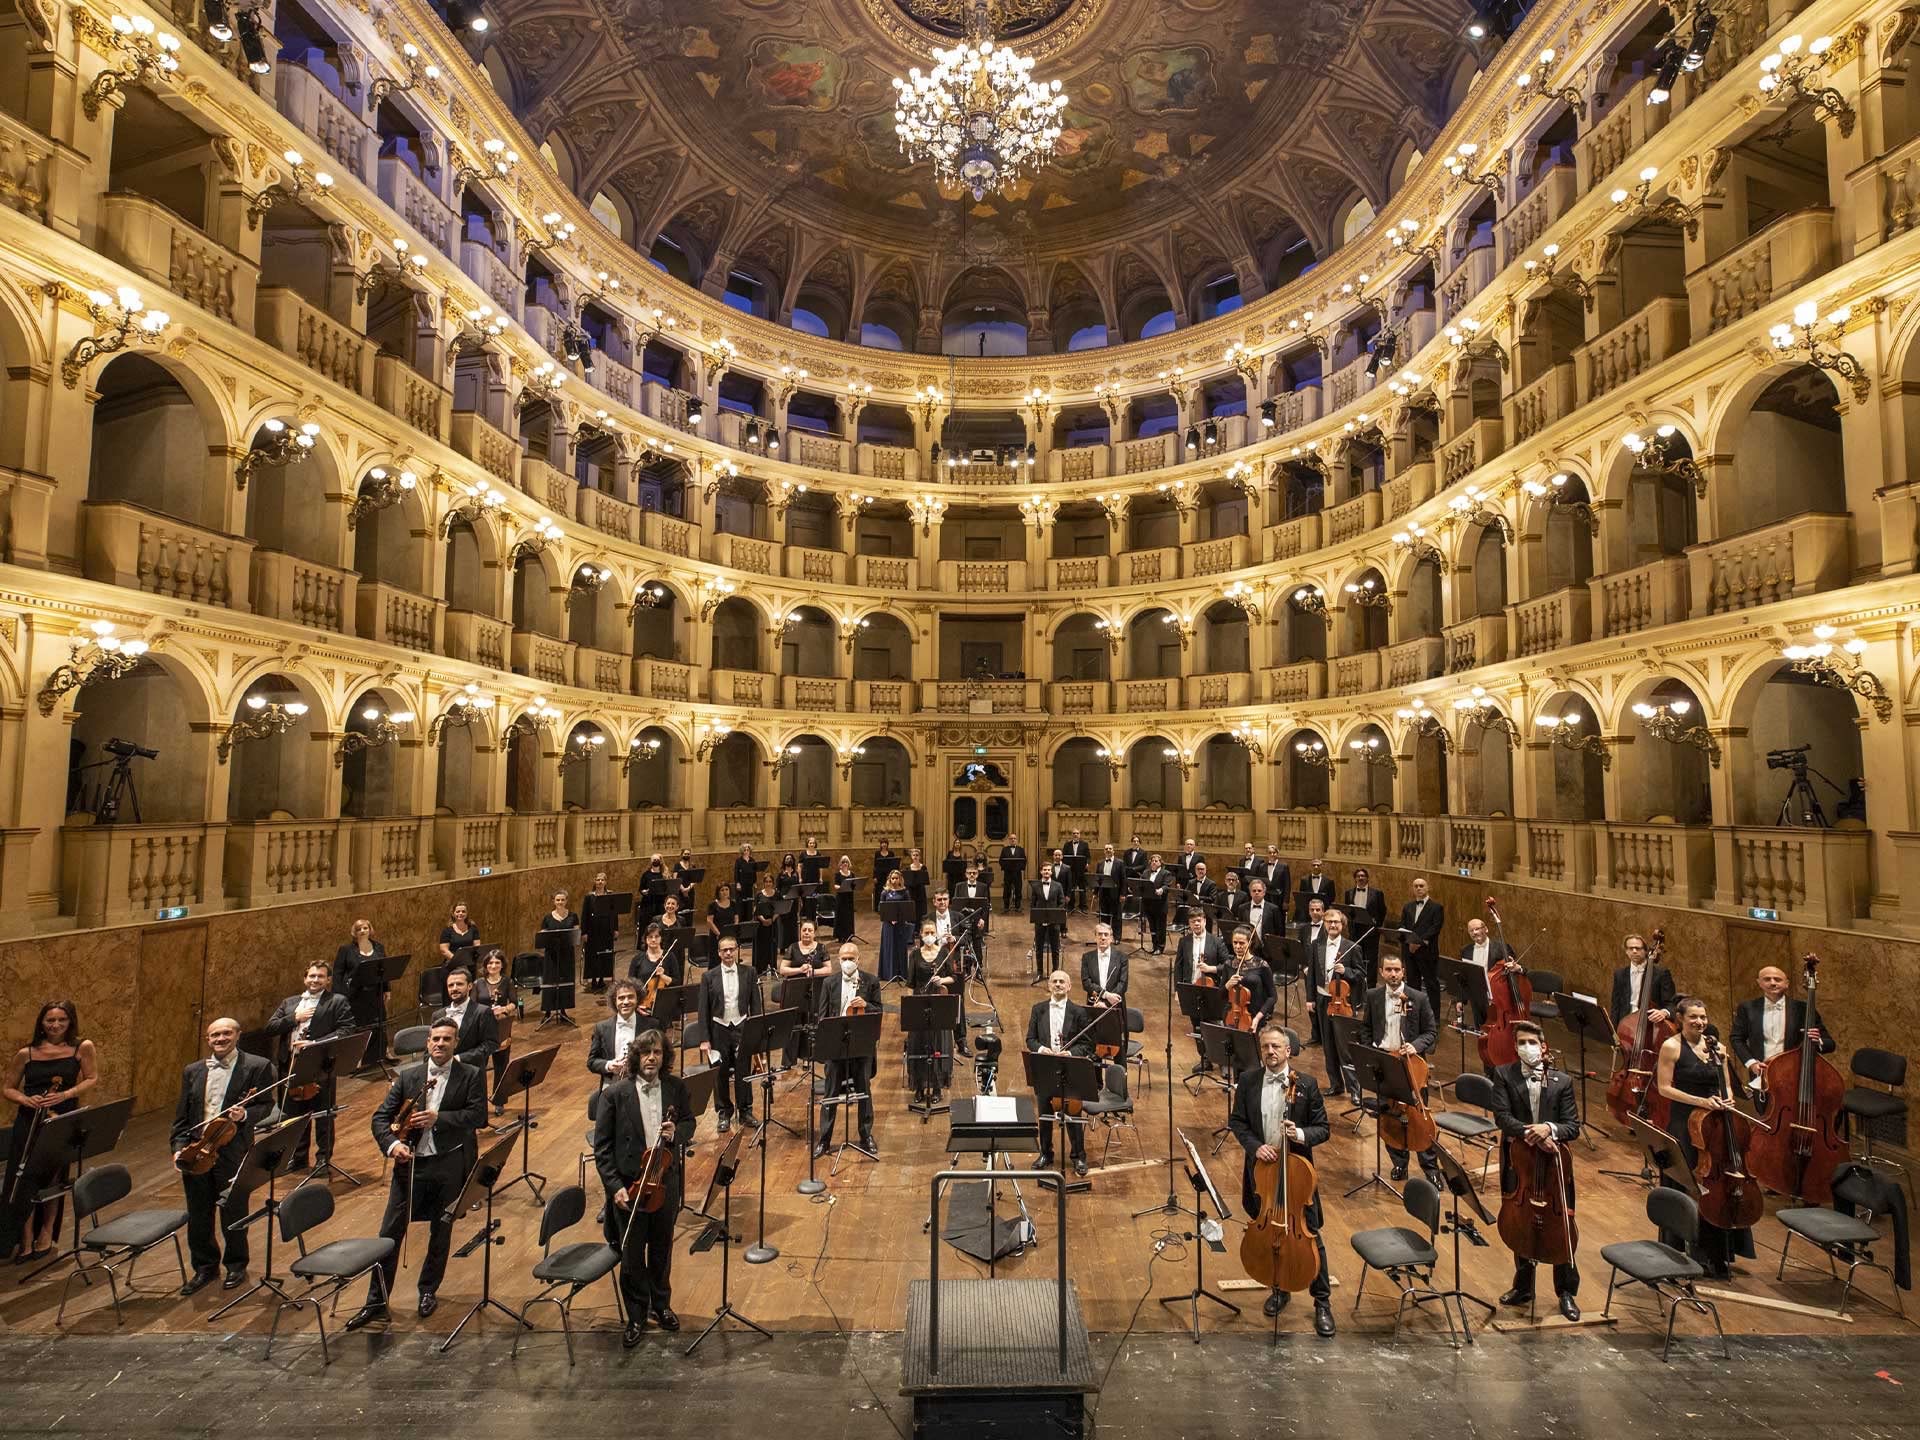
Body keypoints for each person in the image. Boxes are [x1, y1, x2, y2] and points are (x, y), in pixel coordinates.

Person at [347, 1016, 487, 1329]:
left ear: (456, 1043)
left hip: (448, 1162)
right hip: (409, 1165)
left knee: (441, 1230)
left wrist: (441, 1118)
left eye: (446, 1039)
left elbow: (478, 1116)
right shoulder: (408, 1077)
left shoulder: (471, 1075)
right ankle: (376, 1301)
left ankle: (428, 1290)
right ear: (427, 1043)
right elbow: (380, 1119)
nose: (440, 1044)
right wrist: (392, 1145)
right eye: (435, 1039)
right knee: (389, 1234)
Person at [1227, 1025, 1335, 1335]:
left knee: (1310, 1235)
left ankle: (1322, 1303)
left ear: (1288, 1051)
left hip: (1298, 1176)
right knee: (1272, 1235)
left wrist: (1299, 1134)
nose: (1270, 1052)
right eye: (1265, 1047)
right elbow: (1237, 1122)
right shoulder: (1248, 1081)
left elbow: (1323, 1128)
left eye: (1276, 1046)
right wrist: (1254, 1146)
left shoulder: (1307, 1085)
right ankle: (1280, 1288)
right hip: (1261, 1173)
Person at [594, 1027, 693, 1344]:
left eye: (658, 1052)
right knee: (633, 1255)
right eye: (646, 1052)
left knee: (662, 1250)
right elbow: (603, 1149)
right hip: (630, 1187)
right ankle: (636, 1316)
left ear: (664, 1058)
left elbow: (689, 1122)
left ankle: (661, 1306)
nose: (652, 1058)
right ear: (636, 1057)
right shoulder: (614, 1094)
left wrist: (676, 1131)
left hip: (665, 1183)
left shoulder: (676, 1088)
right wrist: (614, 1188)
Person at [170, 1017, 276, 1294]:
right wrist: (179, 1147)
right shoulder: (192, 1071)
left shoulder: (257, 1066)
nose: (220, 1039)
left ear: (238, 1035)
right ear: (208, 1039)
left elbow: (266, 1105)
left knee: (233, 1208)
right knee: (199, 1212)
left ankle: (236, 1265)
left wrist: (245, 1115)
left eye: (226, 1033)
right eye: (214, 1035)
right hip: (197, 1150)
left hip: (233, 1150)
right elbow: (182, 1117)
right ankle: (205, 1267)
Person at [1654, 998, 1756, 1279]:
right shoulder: (1671, 1046)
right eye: (1693, 1018)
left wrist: (1728, 1101)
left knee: (1716, 1183)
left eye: (1703, 1017)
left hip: (1713, 1124)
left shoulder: (1718, 1048)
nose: (1699, 1022)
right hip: (1684, 1121)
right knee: (1684, 1183)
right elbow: (1665, 1089)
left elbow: (1728, 1088)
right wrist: (1701, 1100)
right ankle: (1674, 1251)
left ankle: (1713, 1253)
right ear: (1680, 1019)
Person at [1488, 1019, 1582, 1319]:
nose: (1527, 1047)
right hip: (1519, 1160)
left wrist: (1549, 1129)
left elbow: (1572, 1126)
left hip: (1555, 1166)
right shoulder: (1504, 1074)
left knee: (1562, 1227)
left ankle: (1566, 1291)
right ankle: (1524, 1286)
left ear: (1544, 1048)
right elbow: (1502, 1117)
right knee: (1521, 1219)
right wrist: (1533, 1134)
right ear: (1516, 1049)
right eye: (1521, 1043)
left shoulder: (1562, 1082)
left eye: (1532, 1042)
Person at [2, 1002, 98, 1263]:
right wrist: (25, 1099)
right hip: (29, 1118)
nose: (55, 1025)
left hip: (62, 1116)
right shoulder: (27, 1053)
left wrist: (65, 1094)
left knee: (53, 1177)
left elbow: (91, 1078)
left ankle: (45, 1233)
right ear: (41, 1022)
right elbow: (8, 1088)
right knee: (24, 1179)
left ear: (70, 1022)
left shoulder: (82, 1047)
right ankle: (24, 1239)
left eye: (62, 1020)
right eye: (49, 1020)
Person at [265, 961, 354, 1168]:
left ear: (328, 980)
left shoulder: (337, 1001)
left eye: (320, 976)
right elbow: (270, 1027)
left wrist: (315, 1044)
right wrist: (293, 1018)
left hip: (320, 1065)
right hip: (291, 1066)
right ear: (305, 978)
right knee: (295, 1116)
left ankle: (323, 1158)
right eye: (312, 976)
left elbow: (347, 1029)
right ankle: (298, 1157)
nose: (315, 980)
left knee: (323, 1114)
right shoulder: (290, 1003)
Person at [1363, 953, 1440, 1184]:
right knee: (1390, 1116)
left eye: (1397, 969)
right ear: (1381, 972)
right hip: (1385, 1061)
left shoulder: (1418, 998)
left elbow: (1431, 1033)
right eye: (1388, 970)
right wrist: (1372, 1052)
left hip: (1412, 1065)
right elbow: (1367, 1027)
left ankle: (1431, 1169)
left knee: (1421, 1118)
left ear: (1403, 971)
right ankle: (1399, 1163)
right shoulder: (1373, 996)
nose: (1393, 974)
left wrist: (1414, 1046)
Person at [1729, 964, 1836, 1108]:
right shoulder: (1747, 1008)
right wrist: (1751, 1063)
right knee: (1765, 1116)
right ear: (1759, 983)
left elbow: (1830, 1043)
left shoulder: (1803, 1009)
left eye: (1777, 979)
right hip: (1763, 1074)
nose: (1772, 983)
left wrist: (1818, 1041)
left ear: (1786, 984)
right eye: (1767, 979)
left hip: (1795, 1076)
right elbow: (1736, 1038)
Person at [815, 941, 881, 1156]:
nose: (847, 962)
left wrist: (867, 1006)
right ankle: (824, 1139)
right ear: (838, 960)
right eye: (844, 958)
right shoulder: (829, 983)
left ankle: (866, 1135)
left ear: (858, 959)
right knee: (831, 1092)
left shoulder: (870, 981)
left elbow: (879, 1012)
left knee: (864, 1091)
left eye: (851, 958)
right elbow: (822, 1016)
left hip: (861, 1045)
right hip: (836, 1044)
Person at [1026, 970, 1091, 1177]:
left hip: (1069, 1067)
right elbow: (1031, 1039)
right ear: (1049, 986)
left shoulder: (1079, 1012)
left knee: (1072, 1114)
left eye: (1062, 981)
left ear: (1069, 986)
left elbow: (1087, 1044)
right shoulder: (1038, 1010)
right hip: (1045, 1066)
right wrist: (1041, 1049)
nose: (1058, 984)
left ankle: (1078, 1156)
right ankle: (1046, 1153)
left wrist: (1070, 1052)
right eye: (1054, 981)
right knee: (1044, 1114)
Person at [698, 936, 762, 1133]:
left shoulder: (749, 972)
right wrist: (704, 1039)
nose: (728, 953)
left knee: (744, 1070)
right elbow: (703, 1010)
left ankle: (745, 1110)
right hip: (719, 1027)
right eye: (724, 950)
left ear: (737, 950)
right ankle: (724, 1112)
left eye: (731, 949)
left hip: (741, 1025)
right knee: (720, 1071)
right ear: (718, 953)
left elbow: (755, 1004)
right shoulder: (709, 977)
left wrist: (757, 1031)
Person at [909, 924, 963, 1098]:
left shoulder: (944, 953)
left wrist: (942, 980)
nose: (930, 935)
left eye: (933, 933)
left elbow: (953, 978)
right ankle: (919, 1086)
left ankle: (937, 1087)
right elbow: (911, 983)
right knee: (919, 1044)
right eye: (927, 932)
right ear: (921, 934)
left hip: (939, 1001)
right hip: (919, 1002)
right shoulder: (914, 955)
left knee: (938, 1044)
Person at [1311, 909, 1360, 1097]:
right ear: (1324, 923)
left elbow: (1361, 976)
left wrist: (1346, 971)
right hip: (1323, 999)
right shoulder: (1317, 945)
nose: (1332, 925)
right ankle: (1335, 1084)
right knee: (1328, 1046)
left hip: (1343, 1003)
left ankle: (1355, 1090)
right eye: (1329, 921)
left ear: (1342, 925)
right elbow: (1312, 975)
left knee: (1345, 1048)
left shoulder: (1351, 947)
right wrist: (1310, 998)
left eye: (1336, 922)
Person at [1176, 912, 1228, 1074]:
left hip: (1211, 990)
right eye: (1193, 922)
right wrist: (1178, 990)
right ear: (1189, 924)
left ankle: (1223, 1062)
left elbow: (1227, 963)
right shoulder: (1184, 941)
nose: (1196, 924)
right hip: (1191, 990)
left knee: (1215, 1026)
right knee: (1197, 1026)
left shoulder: (1216, 941)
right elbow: (1178, 967)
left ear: (1205, 921)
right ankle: (1205, 1060)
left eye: (1199, 921)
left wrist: (1211, 968)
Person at [777, 918, 833, 1069]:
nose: (806, 933)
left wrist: (813, 971)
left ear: (814, 933)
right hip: (794, 991)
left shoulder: (821, 948)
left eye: (810, 930)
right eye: (804, 930)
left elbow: (828, 969)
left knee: (812, 1023)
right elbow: (782, 969)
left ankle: (809, 1057)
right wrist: (799, 970)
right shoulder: (793, 947)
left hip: (815, 990)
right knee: (793, 1025)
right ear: (800, 932)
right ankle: (788, 1061)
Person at [336, 918, 392, 1066]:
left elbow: (384, 969)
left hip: (375, 993)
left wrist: (387, 989)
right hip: (355, 995)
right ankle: (356, 1060)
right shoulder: (346, 950)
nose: (362, 931)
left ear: (370, 930)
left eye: (365, 928)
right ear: (354, 932)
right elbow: (338, 973)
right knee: (359, 1026)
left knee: (379, 1023)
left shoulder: (378, 947)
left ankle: (378, 1055)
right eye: (359, 929)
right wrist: (339, 995)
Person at [474, 948, 518, 1107]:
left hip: (501, 1025)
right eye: (490, 963)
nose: (493, 966)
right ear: (485, 965)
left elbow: (514, 1002)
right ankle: (479, 1102)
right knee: (480, 1065)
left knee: (501, 1064)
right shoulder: (477, 983)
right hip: (482, 1027)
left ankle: (499, 1101)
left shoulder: (507, 982)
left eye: (497, 963)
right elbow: (472, 1005)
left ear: (502, 965)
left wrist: (504, 1009)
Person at [1398, 877, 1446, 1021]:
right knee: (1412, 984)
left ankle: (1435, 1017)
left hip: (1427, 952)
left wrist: (1418, 942)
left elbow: (1435, 928)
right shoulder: (1408, 907)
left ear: (1427, 887)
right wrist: (1408, 942)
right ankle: (1414, 1015)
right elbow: (1403, 926)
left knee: (1431, 984)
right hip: (1410, 952)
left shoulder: (1436, 907)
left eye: (1421, 886)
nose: (1418, 888)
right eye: (1416, 886)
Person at [436, 963, 499, 1073]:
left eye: (459, 984)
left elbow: (491, 1044)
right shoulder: (437, 1015)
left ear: (469, 986)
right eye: (451, 985)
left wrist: (459, 1059)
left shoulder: (483, 1012)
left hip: (470, 1073)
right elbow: (430, 1046)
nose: (454, 988)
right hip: (441, 1074)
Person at [1610, 932, 1676, 1028]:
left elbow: (1672, 1003)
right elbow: (1615, 1006)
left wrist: (1664, 1012)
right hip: (1625, 1025)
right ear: (1626, 951)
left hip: (1652, 1025)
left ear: (1645, 950)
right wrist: (1614, 1032)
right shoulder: (1619, 974)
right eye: (1630, 948)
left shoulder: (1661, 973)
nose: (1634, 951)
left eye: (1638, 948)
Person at [1457, 915, 1512, 1028]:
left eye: (1477, 929)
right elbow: (1463, 977)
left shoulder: (1501, 947)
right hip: (1476, 997)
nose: (1474, 932)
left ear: (1486, 929)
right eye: (1471, 930)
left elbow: (1515, 970)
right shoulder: (1465, 951)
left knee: (1498, 1029)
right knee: (1480, 1030)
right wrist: (1460, 1000)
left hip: (1497, 997)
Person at [588, 979, 644, 1087]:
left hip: (642, 1084)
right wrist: (609, 1065)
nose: (626, 1002)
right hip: (612, 1086)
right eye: (621, 998)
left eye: (630, 997)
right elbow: (592, 1062)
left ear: (638, 999)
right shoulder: (601, 1028)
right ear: (615, 1001)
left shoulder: (651, 1025)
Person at [1224, 925, 1277, 1032]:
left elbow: (1272, 996)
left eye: (1242, 943)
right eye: (1235, 942)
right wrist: (1227, 985)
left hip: (1254, 1017)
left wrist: (1258, 1018)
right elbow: (1221, 995)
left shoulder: (1261, 965)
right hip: (1231, 1016)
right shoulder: (1228, 964)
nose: (1238, 946)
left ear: (1250, 943)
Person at [1342, 866, 1388, 986]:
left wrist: (1376, 926)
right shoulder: (1349, 893)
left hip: (1371, 932)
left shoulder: (1377, 893)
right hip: (1355, 931)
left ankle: (1371, 986)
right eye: (1358, 876)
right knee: (1356, 958)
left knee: (1371, 960)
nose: (1360, 878)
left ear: (1367, 878)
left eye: (1363, 876)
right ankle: (1356, 983)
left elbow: (1382, 911)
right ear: (1355, 879)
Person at [538, 890, 579, 1003]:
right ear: (554, 901)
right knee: (550, 981)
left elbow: (575, 935)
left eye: (562, 900)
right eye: (557, 900)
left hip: (567, 954)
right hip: (551, 954)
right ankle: (548, 1010)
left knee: (566, 980)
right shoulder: (547, 918)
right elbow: (543, 936)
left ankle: (563, 1009)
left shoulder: (573, 916)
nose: (560, 902)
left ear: (566, 901)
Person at [582, 872, 618, 992]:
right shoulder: (589, 897)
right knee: (592, 955)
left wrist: (615, 929)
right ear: (594, 881)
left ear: (606, 882)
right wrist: (584, 932)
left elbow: (614, 914)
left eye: (602, 880)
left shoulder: (610, 895)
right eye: (598, 880)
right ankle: (593, 979)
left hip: (606, 930)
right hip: (592, 931)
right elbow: (584, 916)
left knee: (605, 954)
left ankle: (602, 978)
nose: (600, 882)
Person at [1031, 861, 1067, 977]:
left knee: (1055, 948)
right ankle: (1040, 972)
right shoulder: (1035, 886)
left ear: (1051, 872)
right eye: (1044, 870)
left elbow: (1061, 902)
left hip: (1054, 921)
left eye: (1048, 870)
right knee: (1039, 948)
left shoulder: (1058, 885)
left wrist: (1055, 914)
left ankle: (1055, 971)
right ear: (1041, 871)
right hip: (1040, 921)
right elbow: (1033, 903)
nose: (1046, 872)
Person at [878, 869, 915, 983]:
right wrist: (889, 918)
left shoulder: (905, 892)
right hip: (888, 925)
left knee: (900, 947)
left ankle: (901, 973)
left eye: (896, 878)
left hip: (900, 924)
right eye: (892, 878)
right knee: (888, 947)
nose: (894, 880)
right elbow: (881, 908)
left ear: (900, 879)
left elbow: (908, 908)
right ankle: (888, 974)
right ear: (890, 879)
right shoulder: (885, 892)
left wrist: (899, 918)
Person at [1080, 921, 1128, 1008]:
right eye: (1100, 934)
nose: (1103, 938)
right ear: (1095, 937)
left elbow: (1123, 984)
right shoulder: (1087, 957)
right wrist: (1106, 995)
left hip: (1115, 1005)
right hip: (1094, 1004)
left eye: (1106, 934)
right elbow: (1086, 982)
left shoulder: (1122, 958)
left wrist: (1107, 1003)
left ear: (1111, 938)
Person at [629, 921, 684, 993]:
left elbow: (677, 982)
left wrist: (662, 976)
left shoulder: (669, 956)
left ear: (661, 938)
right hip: (643, 999)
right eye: (650, 937)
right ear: (645, 939)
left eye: (657, 936)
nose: (653, 940)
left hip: (665, 997)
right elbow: (630, 983)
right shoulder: (637, 959)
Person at [751, 873, 782, 975]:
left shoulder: (777, 894)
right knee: (762, 946)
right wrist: (763, 920)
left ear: (773, 883)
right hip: (761, 925)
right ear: (763, 883)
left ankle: (773, 967)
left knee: (772, 945)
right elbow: (755, 910)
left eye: (770, 882)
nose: (768, 884)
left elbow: (779, 909)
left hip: (773, 924)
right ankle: (760, 968)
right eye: (766, 882)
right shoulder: (759, 895)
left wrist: (772, 920)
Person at [1239, 877, 1283, 949]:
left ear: (1264, 893)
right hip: (1248, 947)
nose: (1256, 892)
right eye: (1254, 891)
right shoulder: (1242, 908)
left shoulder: (1273, 909)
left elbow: (1279, 931)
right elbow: (1240, 929)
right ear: (1250, 893)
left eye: (1259, 890)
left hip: (1268, 948)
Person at [1141, 852, 1172, 954]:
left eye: (1156, 861)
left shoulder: (1165, 873)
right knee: (1153, 927)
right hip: (1148, 904)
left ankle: (1160, 947)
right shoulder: (1145, 873)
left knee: (1160, 927)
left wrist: (1161, 890)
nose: (1154, 862)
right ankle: (1154, 946)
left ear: (1160, 863)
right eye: (1152, 861)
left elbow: (1167, 885)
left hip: (1160, 905)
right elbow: (1141, 884)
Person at [1092, 844, 1126, 931]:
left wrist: (1122, 894)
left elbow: (1123, 880)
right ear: (1104, 851)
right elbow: (1097, 879)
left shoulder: (1120, 863)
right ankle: (1105, 934)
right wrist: (1095, 893)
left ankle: (1116, 937)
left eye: (1110, 849)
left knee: (1116, 917)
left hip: (1116, 893)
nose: (1108, 850)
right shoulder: (1100, 863)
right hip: (1103, 893)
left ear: (1113, 851)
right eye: (1106, 849)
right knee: (1104, 916)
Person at [830, 855, 859, 942]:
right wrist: (841, 887)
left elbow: (854, 884)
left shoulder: (852, 874)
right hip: (841, 897)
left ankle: (848, 935)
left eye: (846, 862)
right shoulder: (838, 874)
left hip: (849, 897)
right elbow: (835, 885)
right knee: (841, 916)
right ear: (841, 864)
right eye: (843, 862)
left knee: (849, 916)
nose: (845, 864)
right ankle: (841, 936)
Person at [1062, 828, 1093, 911]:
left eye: (1077, 833)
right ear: (1072, 835)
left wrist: (1087, 863)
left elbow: (1088, 856)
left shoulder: (1085, 844)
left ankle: (1083, 906)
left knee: (1082, 888)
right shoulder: (1067, 845)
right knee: (1070, 887)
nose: (1075, 834)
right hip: (1070, 870)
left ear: (1080, 835)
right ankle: (1071, 905)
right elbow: (1063, 856)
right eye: (1074, 833)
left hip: (1081, 869)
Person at [998, 835, 1027, 913]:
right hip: (1008, 873)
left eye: (1014, 838)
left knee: (1018, 889)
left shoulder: (1021, 850)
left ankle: (1018, 907)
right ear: (1009, 840)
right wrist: (1006, 868)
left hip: (1017, 873)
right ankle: (1006, 907)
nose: (1013, 840)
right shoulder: (1004, 849)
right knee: (1006, 890)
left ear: (1016, 840)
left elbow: (1024, 860)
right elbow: (1001, 861)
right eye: (1011, 838)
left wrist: (1020, 868)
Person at [707, 880, 741, 944]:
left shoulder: (733, 904)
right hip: (716, 936)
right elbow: (709, 921)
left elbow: (736, 918)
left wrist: (733, 931)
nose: (725, 892)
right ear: (718, 892)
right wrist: (719, 934)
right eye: (722, 890)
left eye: (726, 889)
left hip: (730, 935)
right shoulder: (713, 905)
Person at [903, 847, 931, 922]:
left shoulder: (923, 867)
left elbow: (925, 879)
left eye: (917, 855)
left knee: (920, 910)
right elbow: (906, 881)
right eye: (914, 855)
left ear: (919, 856)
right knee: (912, 909)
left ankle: (919, 927)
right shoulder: (908, 868)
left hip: (920, 891)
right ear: (911, 857)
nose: (915, 857)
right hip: (911, 891)